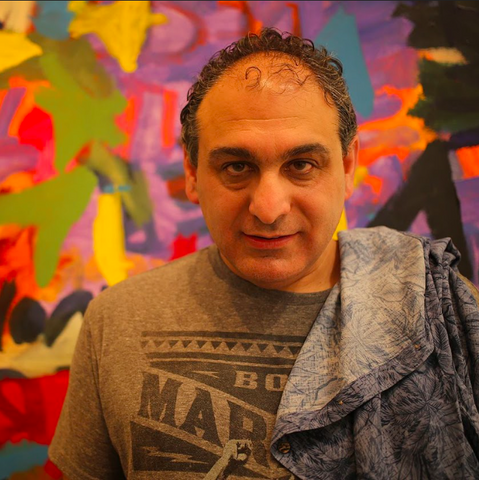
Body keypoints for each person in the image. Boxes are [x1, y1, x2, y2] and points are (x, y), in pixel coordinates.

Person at [49, 28, 479, 479]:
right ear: (192, 173)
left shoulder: (438, 304)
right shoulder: (115, 321)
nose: (269, 208)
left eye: (301, 165)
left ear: (348, 165)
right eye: (237, 166)